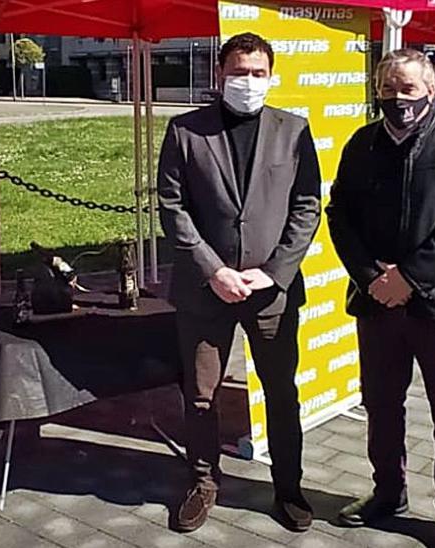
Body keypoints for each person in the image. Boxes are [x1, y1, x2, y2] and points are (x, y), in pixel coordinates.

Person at [157, 32, 322, 534]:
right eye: (238, 72)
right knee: (202, 395)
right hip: (207, 289)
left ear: (270, 77)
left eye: (257, 73)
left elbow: (306, 205)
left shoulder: (293, 130)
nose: (248, 81)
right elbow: (172, 207)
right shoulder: (186, 130)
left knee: (280, 391)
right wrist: (213, 269)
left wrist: (274, 270)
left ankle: (288, 487)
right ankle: (204, 480)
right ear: (219, 74)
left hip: (270, 290)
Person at [325, 48, 435, 548]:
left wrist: (410, 278)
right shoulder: (361, 144)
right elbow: (340, 215)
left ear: (430, 91)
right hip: (377, 302)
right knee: (381, 405)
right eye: (388, 89)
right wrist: (372, 276)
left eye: (408, 89)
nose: (397, 99)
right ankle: (388, 492)